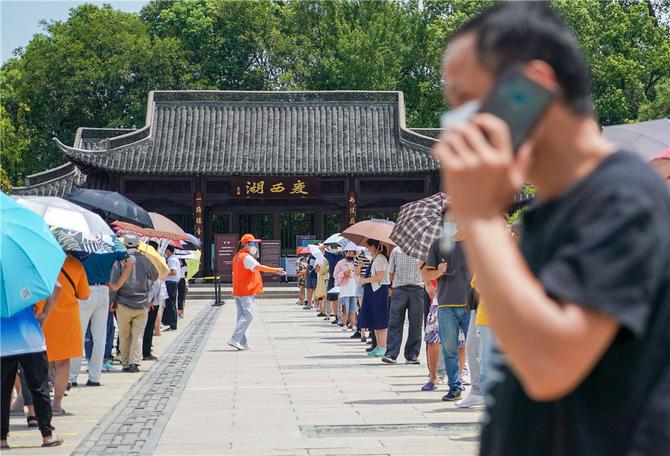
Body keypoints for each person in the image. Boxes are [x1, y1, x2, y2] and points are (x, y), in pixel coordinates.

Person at [433, 3, 670, 454]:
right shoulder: (554, 208)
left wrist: (480, 215)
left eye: (467, 101)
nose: (457, 127)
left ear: (532, 87)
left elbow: (549, 364)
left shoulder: (622, 200)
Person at [1, 284, 64, 449]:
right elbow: (57, 287)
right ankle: (47, 436)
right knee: (39, 389)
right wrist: (45, 313)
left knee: (3, 392)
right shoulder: (26, 276)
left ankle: (2, 439)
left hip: (3, 342)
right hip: (30, 339)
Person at [69, 240, 131, 387]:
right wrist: (117, 285)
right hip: (104, 289)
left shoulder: (80, 241)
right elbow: (129, 263)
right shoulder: (112, 242)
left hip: (84, 289)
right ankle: (95, 377)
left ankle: (72, 376)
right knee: (100, 336)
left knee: (78, 334)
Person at [35, 254, 90, 414]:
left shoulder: (37, 260)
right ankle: (57, 403)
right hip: (66, 318)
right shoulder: (74, 264)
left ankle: (35, 400)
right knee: (63, 363)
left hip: (41, 315)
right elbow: (84, 294)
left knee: (39, 361)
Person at [422, 236, 471, 401]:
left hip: (471, 304)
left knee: (474, 348)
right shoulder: (438, 244)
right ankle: (454, 386)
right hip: (446, 305)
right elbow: (426, 273)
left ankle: (479, 389)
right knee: (449, 349)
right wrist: (439, 271)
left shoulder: (474, 240)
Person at [229, 234, 286, 350]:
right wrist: (275, 270)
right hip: (246, 291)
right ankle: (234, 339)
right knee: (248, 315)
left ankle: (243, 342)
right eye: (252, 244)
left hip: (239, 290)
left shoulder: (237, 256)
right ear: (245, 245)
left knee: (242, 317)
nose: (255, 246)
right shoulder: (246, 257)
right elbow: (259, 267)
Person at [110, 235, 158, 373]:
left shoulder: (119, 261)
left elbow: (114, 282)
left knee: (124, 335)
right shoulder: (145, 259)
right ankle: (134, 362)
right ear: (138, 245)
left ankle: (125, 363)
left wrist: (112, 300)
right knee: (137, 335)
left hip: (123, 302)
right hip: (141, 302)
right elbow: (154, 276)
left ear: (124, 244)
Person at [382, 247, 424, 365]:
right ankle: (394, 353)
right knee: (397, 321)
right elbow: (391, 272)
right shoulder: (398, 251)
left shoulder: (398, 251)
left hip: (412, 289)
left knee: (414, 323)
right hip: (406, 289)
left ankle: (408, 354)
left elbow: (391, 273)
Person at [356, 239, 391, 358]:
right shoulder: (375, 258)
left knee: (380, 319)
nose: (368, 249)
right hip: (373, 290)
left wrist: (365, 280)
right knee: (375, 320)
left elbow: (380, 277)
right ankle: (378, 346)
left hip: (379, 291)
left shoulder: (380, 258)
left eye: (369, 247)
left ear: (374, 247)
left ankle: (383, 346)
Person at [333, 245, 359, 332]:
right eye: (349, 252)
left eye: (352, 253)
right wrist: (344, 273)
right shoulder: (340, 263)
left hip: (354, 288)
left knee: (353, 308)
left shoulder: (357, 262)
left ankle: (353, 324)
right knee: (345, 307)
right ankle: (344, 324)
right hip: (345, 288)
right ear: (346, 253)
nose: (350, 254)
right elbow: (335, 274)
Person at [162, 245, 180, 331]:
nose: (165, 252)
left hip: (170, 283)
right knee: (170, 303)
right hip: (172, 283)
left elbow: (173, 272)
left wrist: (163, 272)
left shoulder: (171, 259)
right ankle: (169, 322)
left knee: (171, 304)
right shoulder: (174, 258)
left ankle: (173, 324)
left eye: (166, 250)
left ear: (168, 251)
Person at [323, 246, 343, 324]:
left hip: (342, 278)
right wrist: (326, 245)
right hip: (333, 278)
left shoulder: (343, 254)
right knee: (334, 298)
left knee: (340, 299)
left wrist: (326, 246)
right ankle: (337, 316)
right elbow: (321, 249)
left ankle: (341, 316)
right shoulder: (331, 255)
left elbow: (321, 249)